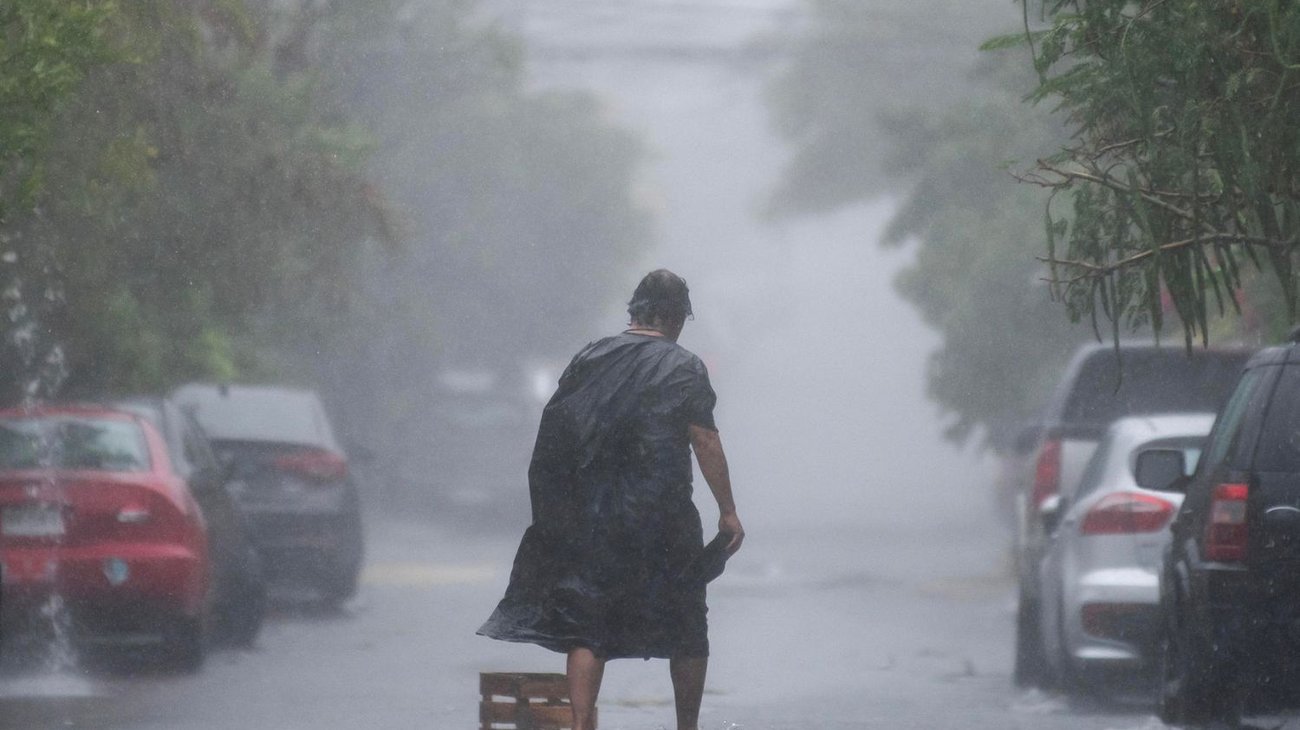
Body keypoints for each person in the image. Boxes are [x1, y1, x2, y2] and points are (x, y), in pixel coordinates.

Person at [478, 269, 744, 730]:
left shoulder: (590, 357)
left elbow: (554, 435)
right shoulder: (684, 367)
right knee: (685, 625)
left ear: (636, 311)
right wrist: (728, 511)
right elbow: (705, 441)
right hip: (664, 518)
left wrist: (556, 513)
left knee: (589, 624)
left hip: (596, 518)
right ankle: (687, 727)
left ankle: (581, 724)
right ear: (673, 316)